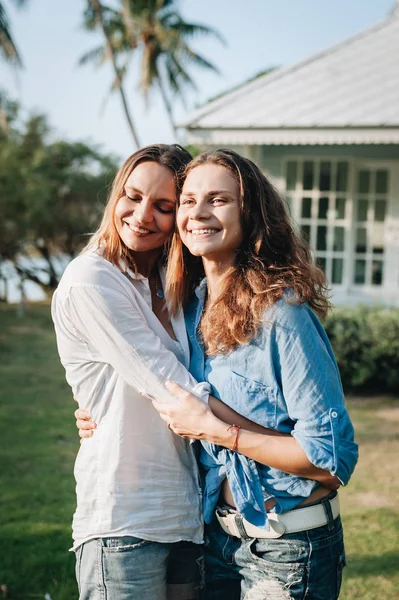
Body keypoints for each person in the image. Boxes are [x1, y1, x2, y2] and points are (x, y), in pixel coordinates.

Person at [147, 149, 359, 599]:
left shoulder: (282, 314)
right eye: (187, 200)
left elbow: (330, 460)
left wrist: (220, 431)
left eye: (217, 200)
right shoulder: (187, 311)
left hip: (289, 546)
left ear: (250, 212)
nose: (198, 213)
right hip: (217, 540)